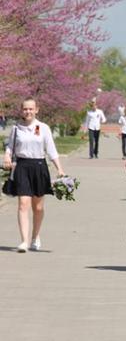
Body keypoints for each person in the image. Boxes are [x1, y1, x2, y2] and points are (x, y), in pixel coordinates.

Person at [2, 98, 65, 252]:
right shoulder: (16, 128)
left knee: (38, 207)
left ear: (37, 110)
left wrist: (60, 169)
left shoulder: (43, 128)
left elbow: (51, 150)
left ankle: (35, 236)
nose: (28, 112)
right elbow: (10, 147)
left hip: (39, 167)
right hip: (22, 167)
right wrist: (7, 156)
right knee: (23, 204)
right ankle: (24, 241)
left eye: (31, 109)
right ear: (21, 110)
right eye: (25, 109)